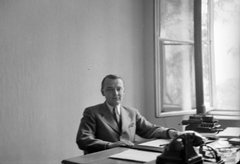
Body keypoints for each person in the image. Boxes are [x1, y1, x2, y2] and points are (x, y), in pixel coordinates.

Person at [76, 74, 195, 154]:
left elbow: (149, 129)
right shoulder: (92, 112)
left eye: (119, 89)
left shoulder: (131, 112)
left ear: (124, 91)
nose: (115, 93)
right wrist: (110, 145)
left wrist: (170, 132)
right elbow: (84, 139)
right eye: (109, 89)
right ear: (102, 92)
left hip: (128, 158)